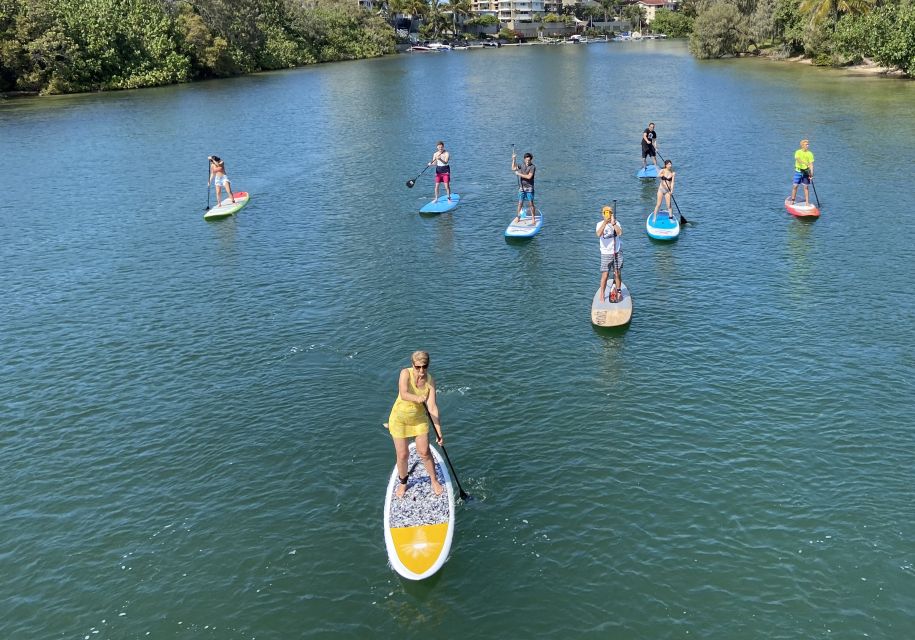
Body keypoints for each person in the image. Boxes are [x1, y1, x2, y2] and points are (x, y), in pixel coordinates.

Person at [386, 351, 444, 499]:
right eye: (418, 367)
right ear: (413, 365)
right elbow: (404, 393)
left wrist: (439, 431)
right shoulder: (405, 373)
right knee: (403, 454)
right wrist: (417, 398)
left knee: (424, 452)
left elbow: (432, 407)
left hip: (419, 420)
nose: (421, 371)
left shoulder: (430, 381)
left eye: (424, 367)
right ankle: (403, 482)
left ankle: (434, 480)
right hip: (400, 419)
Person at [596, 204, 624, 303]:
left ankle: (619, 291)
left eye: (609, 213)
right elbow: (598, 234)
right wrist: (605, 223)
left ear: (612, 214)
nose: (607, 215)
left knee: (617, 273)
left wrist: (613, 224)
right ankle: (602, 295)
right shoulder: (600, 224)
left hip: (617, 252)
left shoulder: (616, 223)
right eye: (605, 213)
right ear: (602, 214)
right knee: (605, 275)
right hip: (605, 253)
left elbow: (620, 233)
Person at [512, 151, 537, 223]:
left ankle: (533, 218)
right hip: (521, 187)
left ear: (531, 160)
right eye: (526, 160)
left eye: (529, 160)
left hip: (529, 188)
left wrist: (519, 174)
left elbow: (529, 177)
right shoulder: (521, 165)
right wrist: (513, 159)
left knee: (531, 203)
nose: (527, 161)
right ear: (524, 159)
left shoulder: (532, 167)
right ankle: (518, 217)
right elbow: (513, 168)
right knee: (520, 203)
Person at [789, 139, 815, 205]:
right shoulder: (798, 152)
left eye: (808, 144)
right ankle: (792, 200)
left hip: (806, 172)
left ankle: (807, 202)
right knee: (795, 186)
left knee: (806, 187)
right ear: (802, 145)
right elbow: (798, 159)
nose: (808, 146)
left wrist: (811, 174)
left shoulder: (810, 153)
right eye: (806, 144)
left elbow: (811, 164)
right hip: (798, 171)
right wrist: (805, 163)